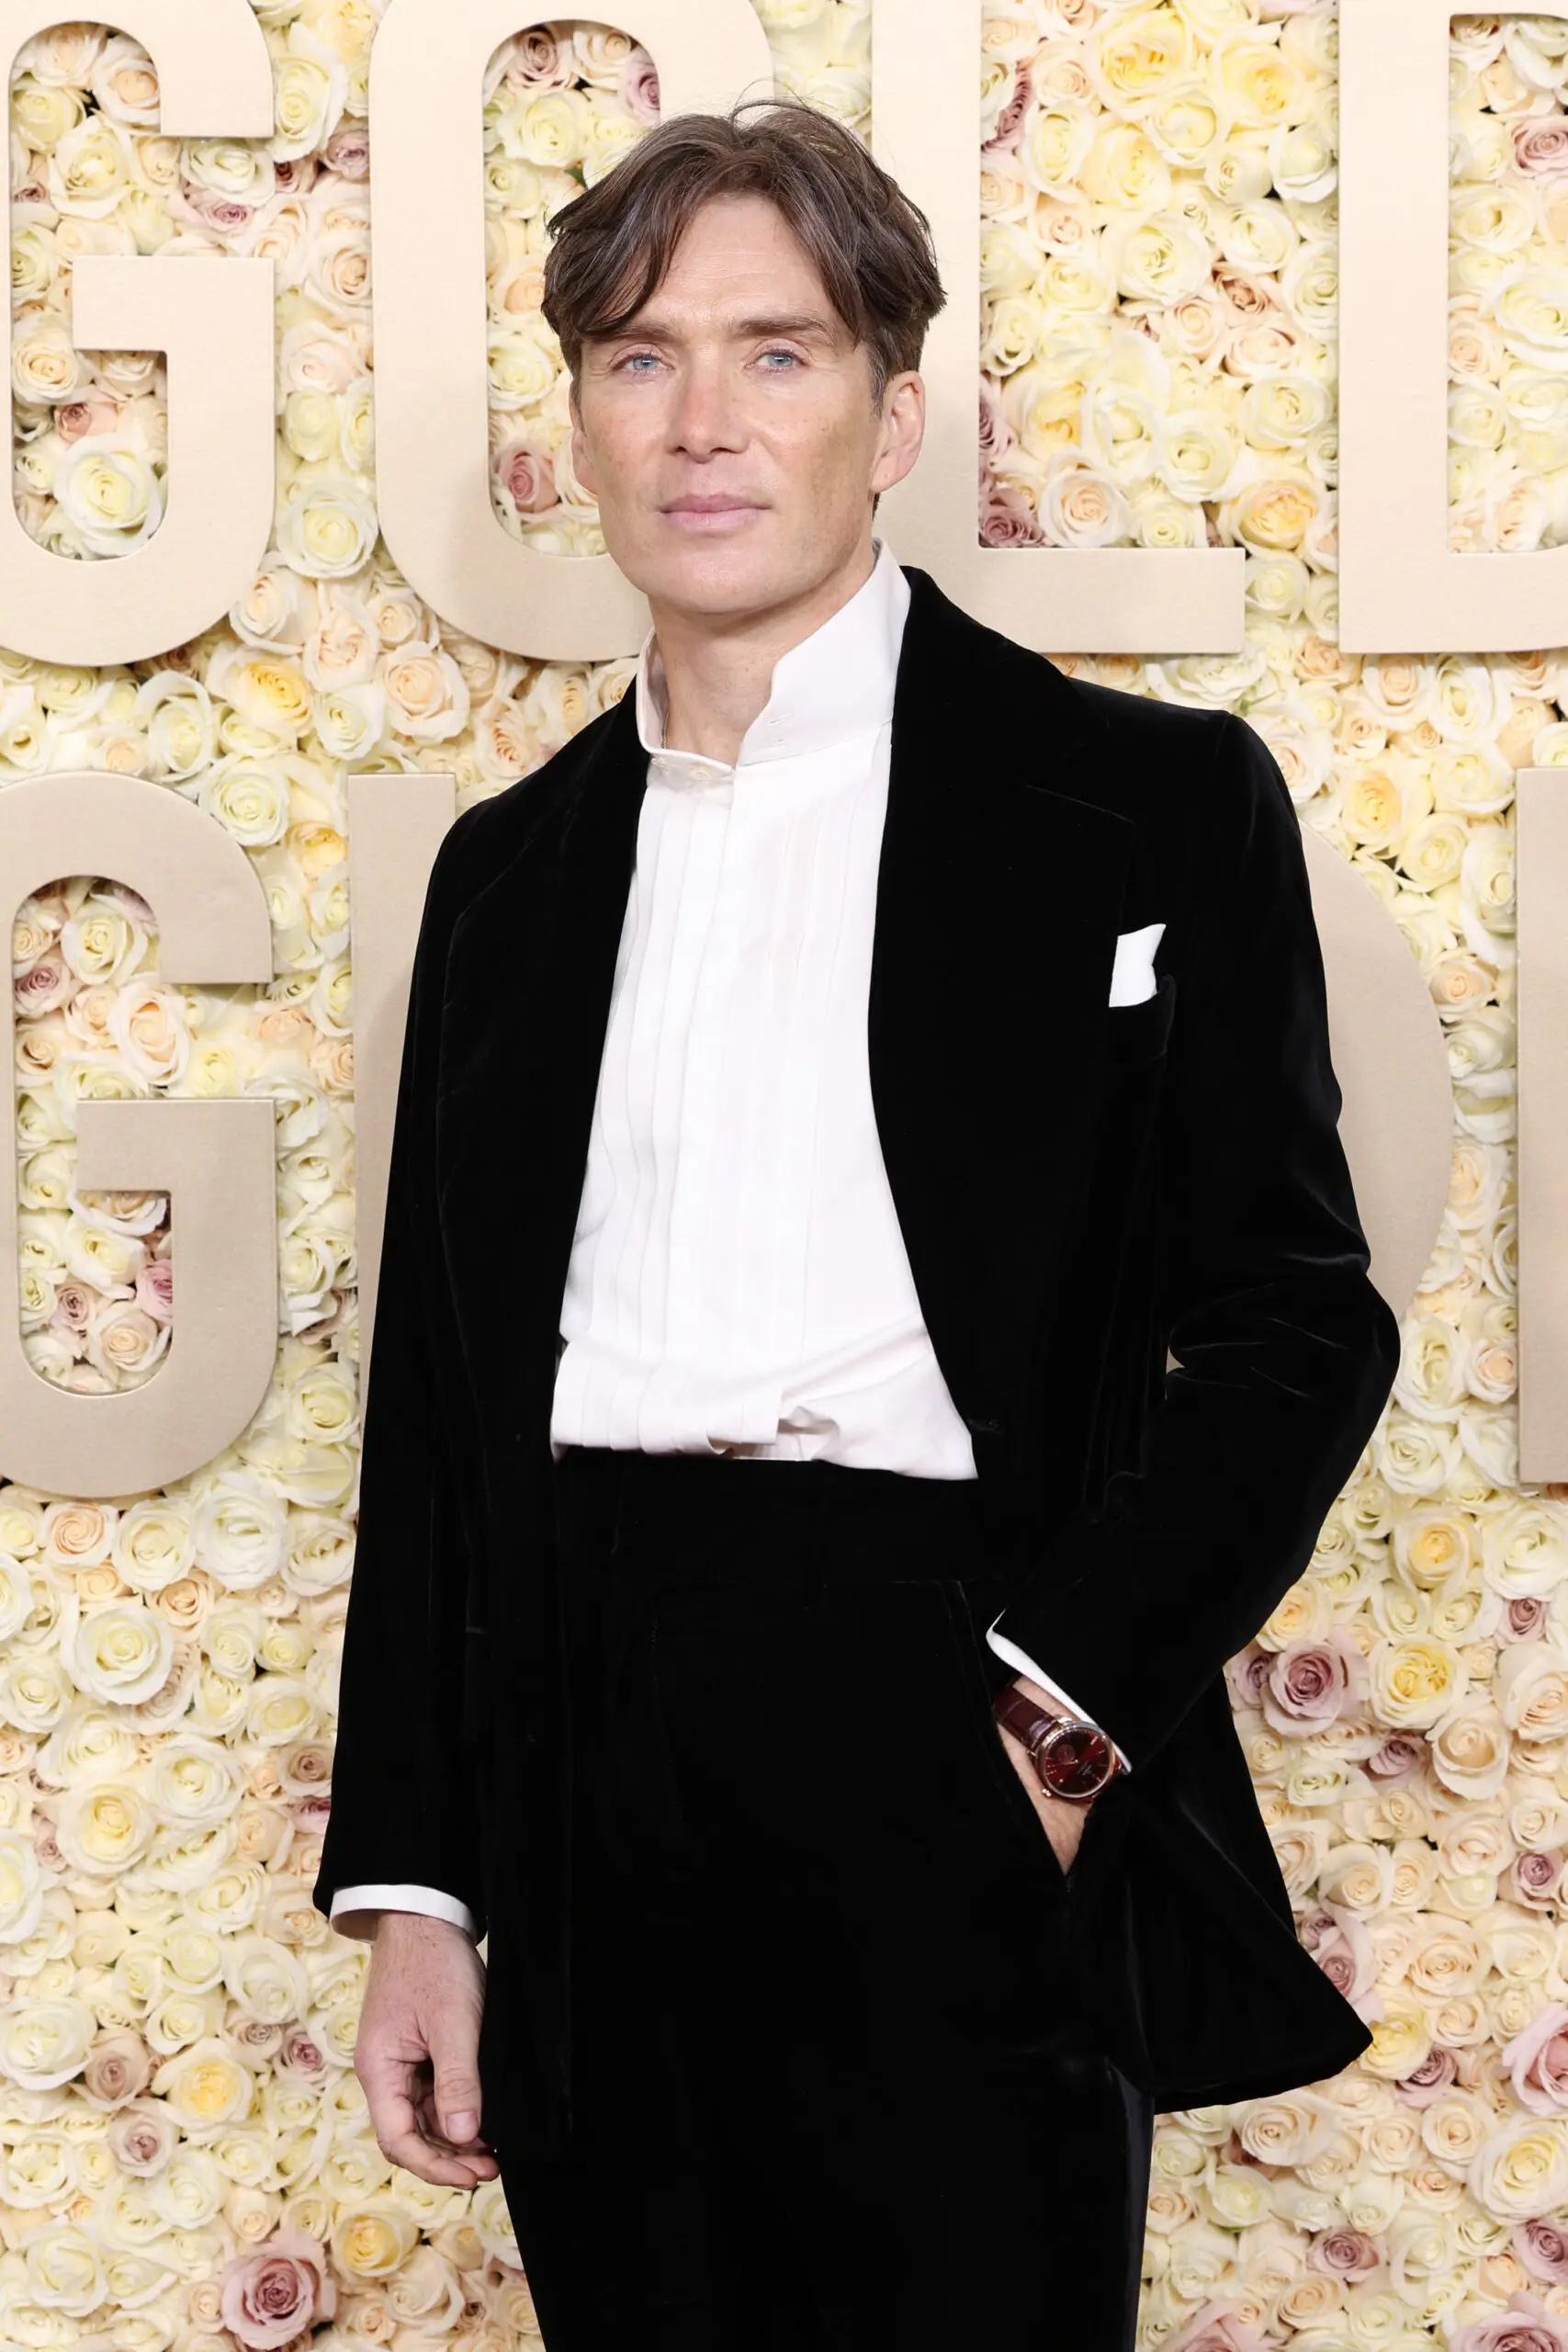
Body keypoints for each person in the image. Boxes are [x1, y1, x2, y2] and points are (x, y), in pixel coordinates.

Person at [312, 97, 1402, 2350]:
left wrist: (1060, 1707)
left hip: (956, 1704)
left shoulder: (1143, 805)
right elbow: (435, 1411)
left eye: (776, 352)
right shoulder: (505, 880)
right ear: (582, 430)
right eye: (637, 358)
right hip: (586, 1741)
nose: (701, 420)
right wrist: (421, 1888)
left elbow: (1298, 1320)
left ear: (895, 413)